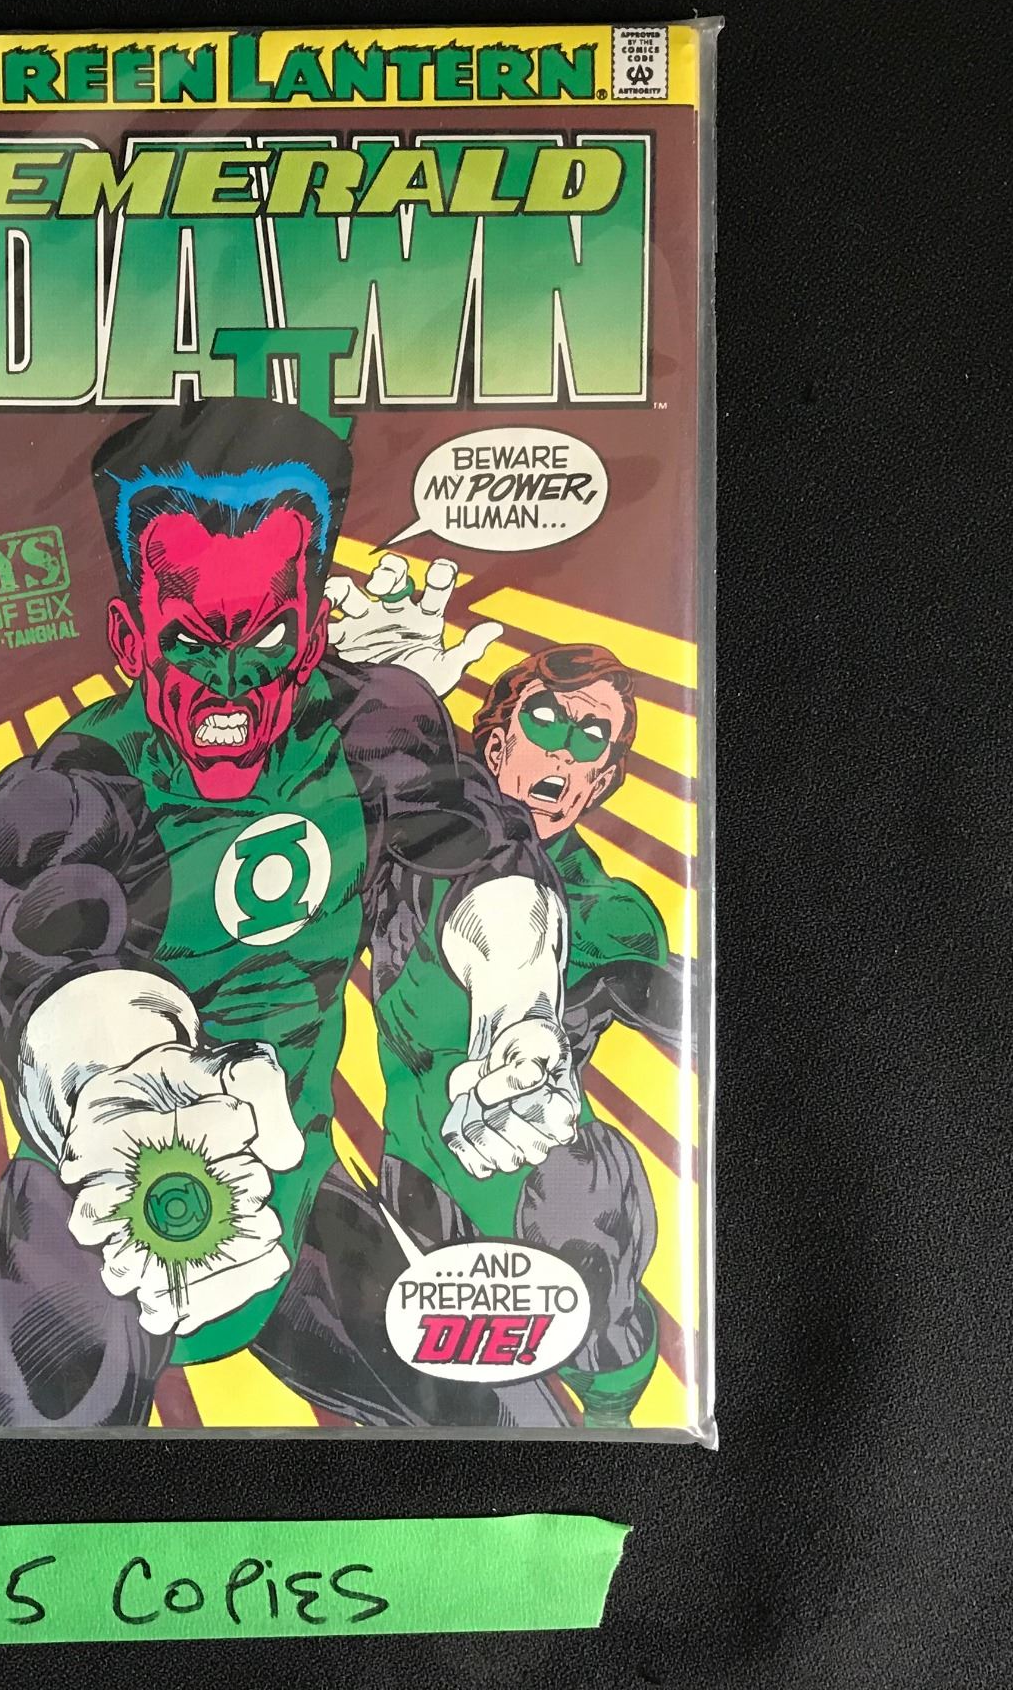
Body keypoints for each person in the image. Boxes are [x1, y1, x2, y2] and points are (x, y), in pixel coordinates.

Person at [0, 400, 585, 1429]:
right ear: (130, 640)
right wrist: (129, 1084)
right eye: (192, 643)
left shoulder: (375, 727)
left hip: (295, 1193)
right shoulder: (81, 782)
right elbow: (46, 940)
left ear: (313, 630)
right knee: (35, 1439)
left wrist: (516, 1014)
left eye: (265, 637)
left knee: (519, 1428)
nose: (231, 682)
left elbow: (476, 849)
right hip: (99, 1198)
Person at [331, 569, 680, 1426]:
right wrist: (382, 691)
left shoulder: (609, 909)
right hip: (418, 1176)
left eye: (591, 739)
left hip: (553, 1184)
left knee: (604, 1361)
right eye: (546, 721)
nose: (563, 752)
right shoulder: (399, 862)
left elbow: (619, 979)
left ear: (602, 781)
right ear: (494, 745)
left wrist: (529, 1029)